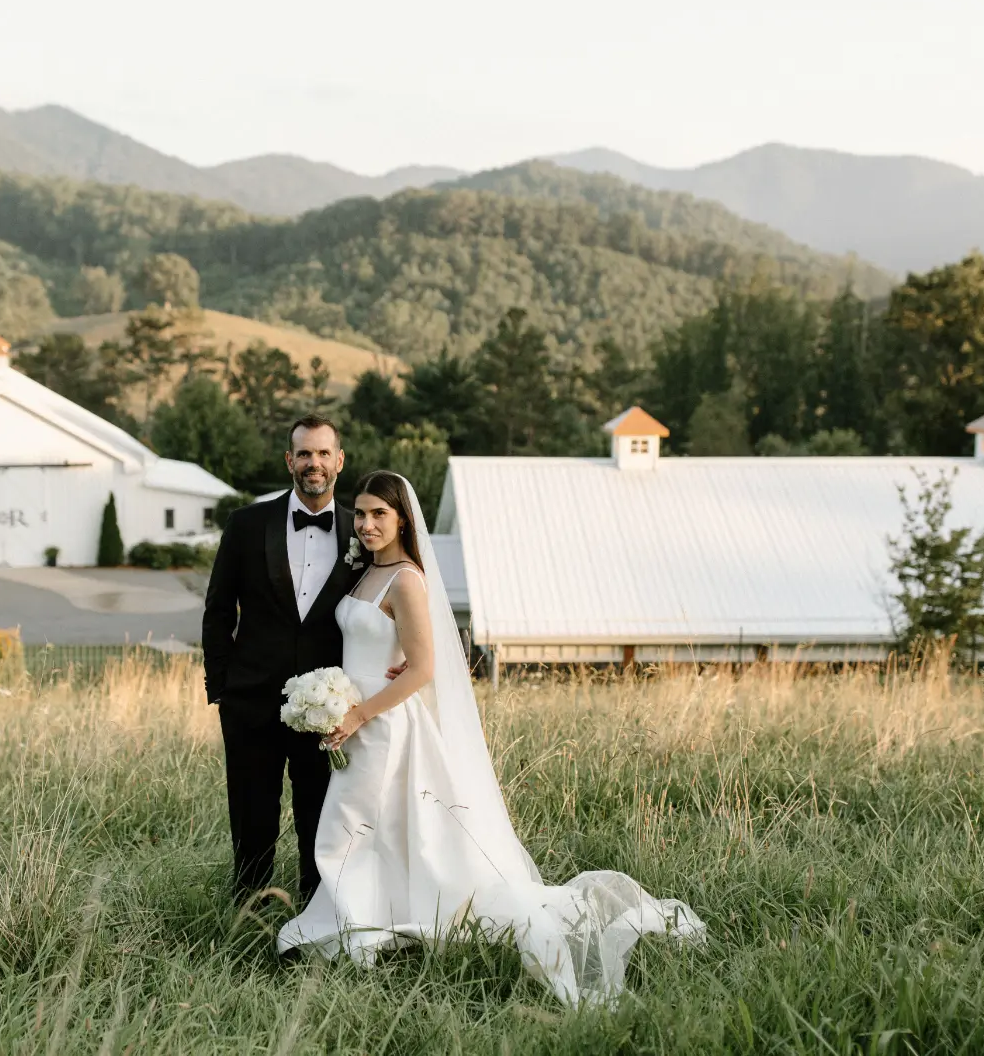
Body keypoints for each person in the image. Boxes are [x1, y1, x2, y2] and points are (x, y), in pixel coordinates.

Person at [276, 471, 706, 1007]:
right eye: (359, 514)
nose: (364, 524)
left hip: (382, 724)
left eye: (378, 514)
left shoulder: (406, 579)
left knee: (359, 825)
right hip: (356, 718)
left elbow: (423, 668)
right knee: (368, 828)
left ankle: (362, 926)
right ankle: (365, 919)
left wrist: (360, 712)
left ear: (402, 519)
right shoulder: (365, 573)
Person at [202, 414, 365, 902]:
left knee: (320, 816)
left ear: (338, 460)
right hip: (250, 702)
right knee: (251, 816)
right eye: (303, 454)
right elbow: (216, 609)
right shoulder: (248, 524)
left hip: (328, 709)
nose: (312, 463)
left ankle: (314, 919)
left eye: (322, 453)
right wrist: (222, 689)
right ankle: (249, 915)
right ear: (288, 460)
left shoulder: (364, 526)